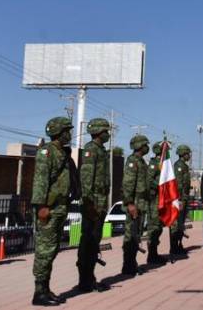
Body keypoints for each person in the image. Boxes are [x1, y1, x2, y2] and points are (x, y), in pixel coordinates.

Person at [30, 117, 78, 307]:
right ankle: (39, 293)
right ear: (59, 132)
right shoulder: (47, 152)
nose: (69, 133)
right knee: (44, 251)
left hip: (60, 207)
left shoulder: (63, 153)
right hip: (48, 209)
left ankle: (45, 289)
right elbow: (40, 180)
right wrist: (41, 206)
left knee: (52, 249)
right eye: (67, 130)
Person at [77, 118, 112, 292]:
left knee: (94, 241)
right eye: (106, 131)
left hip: (100, 202)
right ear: (99, 132)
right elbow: (86, 179)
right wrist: (89, 203)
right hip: (93, 204)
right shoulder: (91, 149)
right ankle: (85, 280)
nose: (108, 134)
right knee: (88, 241)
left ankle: (89, 278)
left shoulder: (101, 150)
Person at [122, 134, 150, 275]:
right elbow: (128, 184)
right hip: (134, 204)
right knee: (130, 236)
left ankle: (132, 263)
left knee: (136, 235)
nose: (147, 147)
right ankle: (128, 266)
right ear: (140, 146)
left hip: (141, 204)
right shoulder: (132, 161)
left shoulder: (142, 161)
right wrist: (130, 204)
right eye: (145, 145)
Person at [145, 140, 167, 265]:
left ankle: (155, 253)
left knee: (159, 227)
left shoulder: (164, 164)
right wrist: (159, 186)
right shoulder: (154, 164)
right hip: (155, 200)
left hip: (162, 200)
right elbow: (149, 180)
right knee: (153, 227)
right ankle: (151, 255)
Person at [170, 144, 193, 257]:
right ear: (184, 154)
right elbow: (178, 185)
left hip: (184, 198)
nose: (189, 155)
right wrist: (181, 199)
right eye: (188, 153)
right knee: (177, 224)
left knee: (181, 224)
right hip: (179, 199)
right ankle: (174, 247)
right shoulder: (179, 166)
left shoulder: (184, 165)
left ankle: (179, 245)